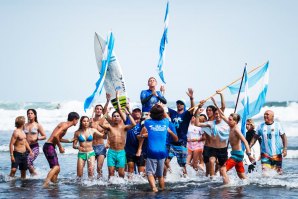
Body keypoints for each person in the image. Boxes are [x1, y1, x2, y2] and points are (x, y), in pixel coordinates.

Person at [136, 104, 178, 192]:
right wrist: (161, 107)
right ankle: (162, 190)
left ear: (152, 113)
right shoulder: (166, 122)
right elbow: (167, 117)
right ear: (162, 114)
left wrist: (150, 111)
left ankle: (154, 189)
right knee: (160, 175)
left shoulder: (148, 123)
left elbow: (146, 118)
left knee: (150, 173)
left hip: (152, 151)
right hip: (163, 152)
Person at [212, 102, 255, 184]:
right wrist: (216, 104)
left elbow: (245, 141)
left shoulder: (236, 130)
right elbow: (222, 115)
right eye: (229, 119)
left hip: (237, 155)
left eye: (230, 119)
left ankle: (226, 187)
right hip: (236, 154)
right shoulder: (230, 125)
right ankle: (251, 184)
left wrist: (249, 155)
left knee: (222, 169)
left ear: (235, 122)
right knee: (241, 175)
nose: (228, 120)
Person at [99, 93, 136, 179]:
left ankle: (121, 188)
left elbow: (133, 124)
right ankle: (111, 188)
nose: (116, 117)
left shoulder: (124, 127)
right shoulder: (109, 127)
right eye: (114, 116)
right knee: (111, 172)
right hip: (111, 152)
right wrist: (106, 113)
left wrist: (127, 113)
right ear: (112, 118)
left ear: (120, 118)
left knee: (121, 174)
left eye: (118, 116)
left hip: (121, 152)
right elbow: (100, 123)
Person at [195, 96, 229, 179]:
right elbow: (196, 120)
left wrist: (221, 95)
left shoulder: (219, 118)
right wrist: (199, 108)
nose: (207, 112)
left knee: (220, 167)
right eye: (207, 110)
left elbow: (223, 107)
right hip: (208, 147)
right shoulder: (207, 121)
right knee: (209, 165)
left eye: (210, 110)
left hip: (221, 147)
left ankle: (219, 178)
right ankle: (211, 181)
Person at [43, 112, 80, 187]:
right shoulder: (65, 125)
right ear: (74, 119)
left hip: (49, 146)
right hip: (49, 146)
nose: (78, 122)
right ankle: (46, 183)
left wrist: (70, 140)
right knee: (56, 167)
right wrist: (60, 147)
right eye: (77, 120)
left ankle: (54, 184)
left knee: (57, 169)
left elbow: (58, 138)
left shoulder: (64, 124)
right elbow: (55, 136)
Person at [165, 88, 195, 177]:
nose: (179, 105)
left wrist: (191, 98)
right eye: (178, 103)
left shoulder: (186, 114)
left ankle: (185, 178)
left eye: (181, 103)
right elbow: (163, 106)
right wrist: (161, 93)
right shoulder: (173, 113)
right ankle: (172, 174)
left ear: (184, 105)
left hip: (181, 142)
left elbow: (193, 109)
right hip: (172, 142)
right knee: (166, 161)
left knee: (182, 165)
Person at [249, 110, 288, 174]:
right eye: (264, 114)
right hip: (265, 154)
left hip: (277, 154)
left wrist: (285, 149)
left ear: (272, 116)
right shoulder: (260, 126)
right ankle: (266, 184)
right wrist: (249, 147)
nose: (265, 116)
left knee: (278, 173)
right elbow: (255, 138)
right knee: (265, 173)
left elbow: (284, 137)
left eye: (267, 114)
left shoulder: (278, 125)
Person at [122, 106, 145, 178]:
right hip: (129, 150)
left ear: (141, 113)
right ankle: (130, 185)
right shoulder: (128, 121)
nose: (137, 113)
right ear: (132, 113)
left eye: (138, 111)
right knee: (130, 169)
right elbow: (120, 111)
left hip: (140, 150)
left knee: (141, 172)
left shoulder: (143, 122)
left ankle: (142, 185)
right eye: (135, 111)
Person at [90, 93, 110, 178]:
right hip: (91, 147)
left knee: (99, 168)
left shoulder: (104, 122)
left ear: (102, 111)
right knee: (91, 168)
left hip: (101, 147)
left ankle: (100, 184)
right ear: (94, 110)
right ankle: (90, 182)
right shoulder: (90, 121)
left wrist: (108, 143)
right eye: (97, 109)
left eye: (100, 109)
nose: (98, 110)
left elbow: (109, 133)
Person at [24, 109, 46, 176]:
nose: (30, 115)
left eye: (31, 113)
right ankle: (32, 178)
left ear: (35, 115)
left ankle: (36, 176)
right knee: (27, 164)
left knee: (28, 161)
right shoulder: (24, 125)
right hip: (25, 147)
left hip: (34, 147)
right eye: (28, 113)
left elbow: (44, 136)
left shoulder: (38, 125)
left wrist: (37, 138)